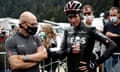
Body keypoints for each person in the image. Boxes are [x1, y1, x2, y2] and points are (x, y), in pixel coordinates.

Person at [62, 1, 117, 72]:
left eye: (75, 16)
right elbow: (60, 52)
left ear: (80, 15)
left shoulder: (90, 29)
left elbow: (112, 45)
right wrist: (69, 50)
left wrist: (96, 63)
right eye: (70, 17)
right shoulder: (67, 30)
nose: (73, 20)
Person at [103, 7, 120, 72]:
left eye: (114, 15)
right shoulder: (107, 25)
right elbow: (104, 39)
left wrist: (113, 35)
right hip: (109, 55)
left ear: (119, 15)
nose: (112, 17)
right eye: (111, 15)